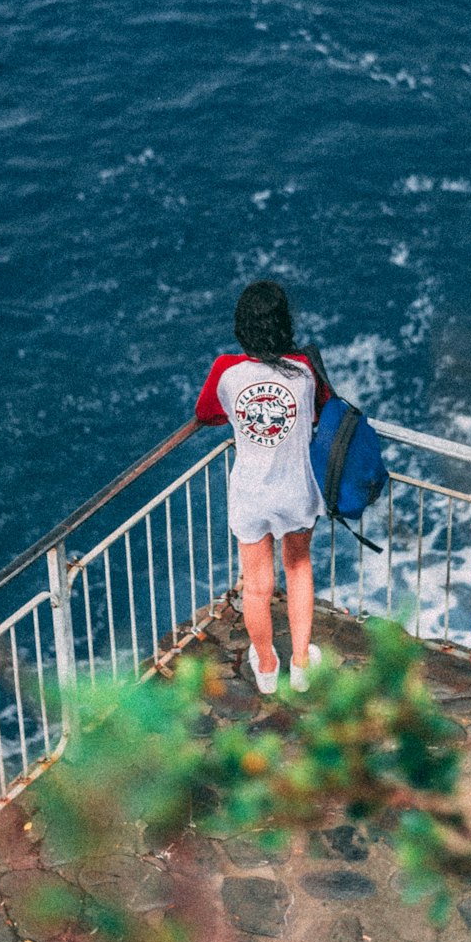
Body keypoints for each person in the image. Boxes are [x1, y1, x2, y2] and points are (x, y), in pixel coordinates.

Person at [195, 281, 330, 694]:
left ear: (243, 327)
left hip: (251, 493)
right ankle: (303, 664)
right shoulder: (305, 369)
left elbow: (206, 413)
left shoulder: (226, 371)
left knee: (256, 586)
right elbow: (323, 410)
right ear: (283, 323)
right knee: (298, 569)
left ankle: (267, 667)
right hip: (295, 488)